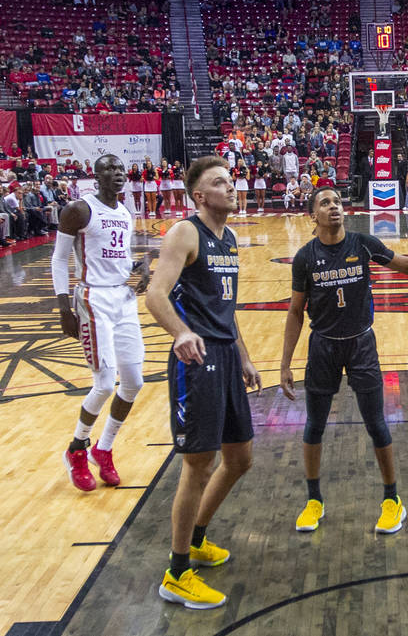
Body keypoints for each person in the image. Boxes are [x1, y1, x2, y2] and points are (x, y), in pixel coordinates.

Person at [279, 187, 408, 534]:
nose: (335, 207)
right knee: (314, 426)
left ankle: (392, 500)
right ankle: (314, 500)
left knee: (376, 424)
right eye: (325, 203)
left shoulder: (362, 244)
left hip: (361, 345)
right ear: (313, 216)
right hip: (323, 346)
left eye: (338, 201)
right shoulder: (305, 258)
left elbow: (407, 266)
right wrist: (285, 363)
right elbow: (296, 312)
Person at [146, 156, 261, 609]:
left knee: (240, 458)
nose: (230, 187)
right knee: (198, 466)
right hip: (196, 361)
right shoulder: (184, 232)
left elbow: (225, 310)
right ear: (199, 196)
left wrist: (244, 356)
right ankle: (176, 574)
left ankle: (195, 539)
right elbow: (156, 295)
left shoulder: (229, 239)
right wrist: (181, 333)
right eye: (219, 182)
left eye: (231, 180)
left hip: (226, 357)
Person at [52, 155, 149, 492]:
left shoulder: (125, 211)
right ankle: (76, 449)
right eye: (109, 169)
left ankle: (103, 448)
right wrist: (64, 307)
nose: (117, 174)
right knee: (105, 383)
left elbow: (121, 258)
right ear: (96, 176)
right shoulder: (79, 210)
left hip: (123, 299)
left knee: (134, 381)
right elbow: (58, 259)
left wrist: (142, 266)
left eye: (121, 169)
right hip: (93, 300)